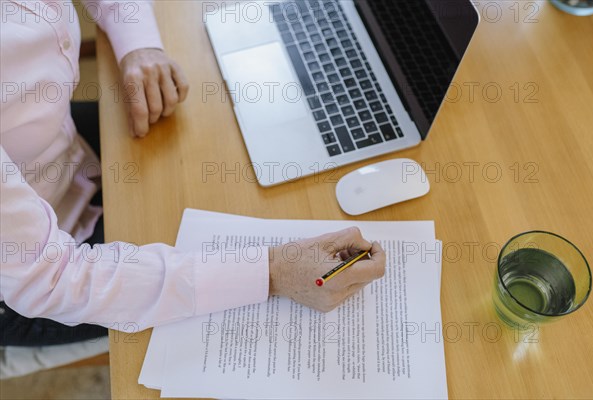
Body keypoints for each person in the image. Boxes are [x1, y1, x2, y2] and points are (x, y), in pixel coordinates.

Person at [0, 0, 386, 348]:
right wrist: (271, 273)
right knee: (222, 305)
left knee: (214, 166)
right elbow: (50, 279)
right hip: (29, 288)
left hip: (59, 157)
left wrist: (139, 43)